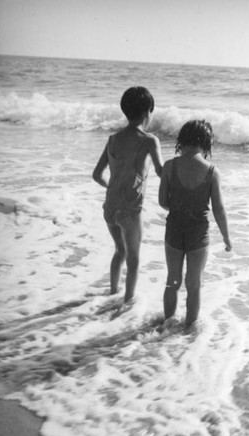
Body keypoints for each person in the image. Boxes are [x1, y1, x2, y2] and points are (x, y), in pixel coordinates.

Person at [93, 86, 163, 303]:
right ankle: (127, 304)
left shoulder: (113, 139)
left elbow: (97, 175)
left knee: (119, 252)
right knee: (133, 260)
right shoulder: (149, 140)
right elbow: (161, 172)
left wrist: (112, 188)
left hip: (110, 207)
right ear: (147, 112)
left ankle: (112, 291)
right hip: (130, 210)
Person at [159, 119, 232, 328]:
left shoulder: (170, 166)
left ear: (181, 141)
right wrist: (226, 237)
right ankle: (189, 330)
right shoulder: (211, 171)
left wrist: (179, 206)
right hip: (198, 233)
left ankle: (167, 323)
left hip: (173, 229)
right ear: (206, 143)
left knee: (173, 280)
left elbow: (163, 201)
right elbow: (218, 208)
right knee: (194, 284)